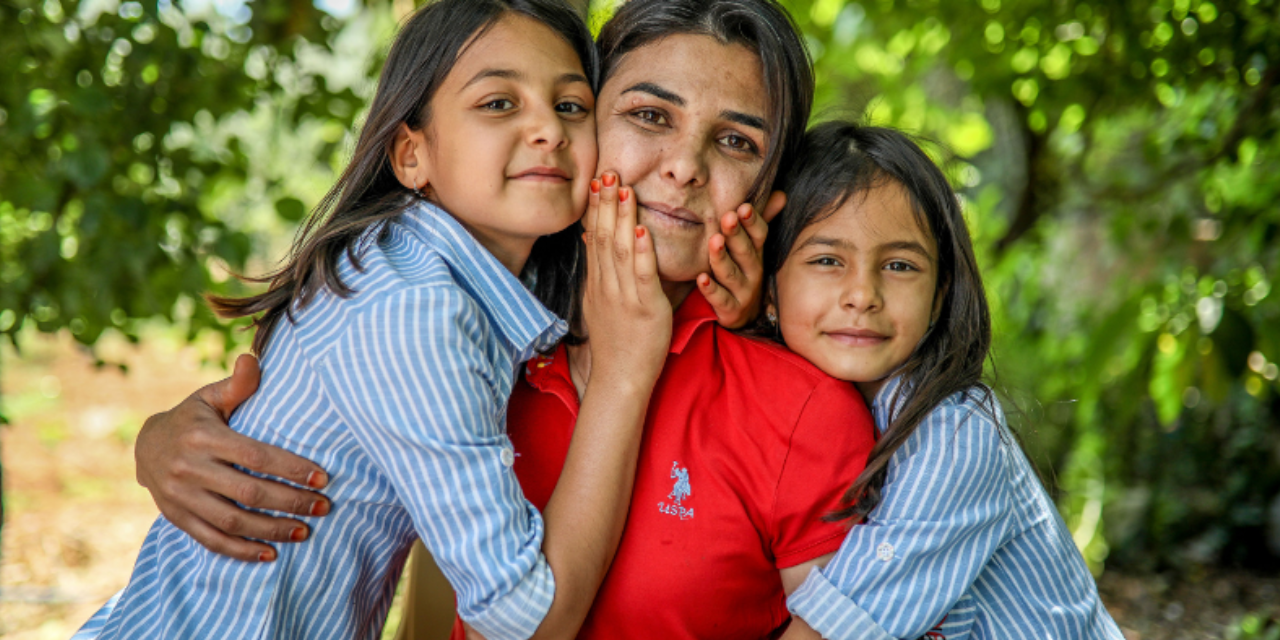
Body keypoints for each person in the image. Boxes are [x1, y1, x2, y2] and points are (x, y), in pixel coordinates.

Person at [129, 1, 881, 638]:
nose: (685, 166)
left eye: (735, 141)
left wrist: (746, 326)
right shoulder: (480, 327)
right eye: (649, 115)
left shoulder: (802, 406)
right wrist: (158, 442)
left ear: (770, 188)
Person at [75, 1, 675, 638]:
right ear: (410, 154)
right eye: (498, 102)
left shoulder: (453, 270)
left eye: (571, 106)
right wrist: (622, 377)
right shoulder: (411, 305)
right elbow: (527, 619)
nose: (549, 130)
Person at [755, 122, 1124, 639]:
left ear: (939, 295)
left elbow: (831, 632)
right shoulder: (787, 405)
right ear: (769, 287)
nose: (862, 294)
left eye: (900, 265)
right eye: (827, 260)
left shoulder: (954, 434)